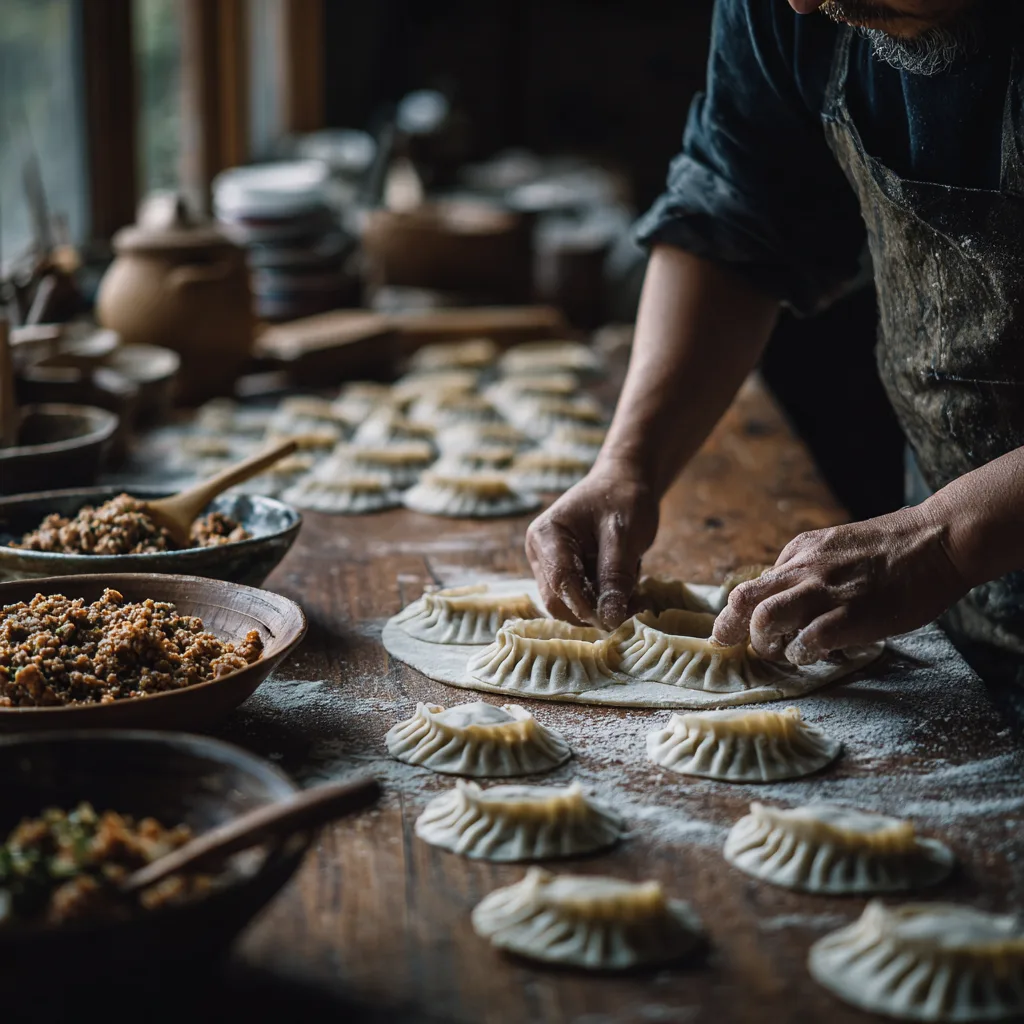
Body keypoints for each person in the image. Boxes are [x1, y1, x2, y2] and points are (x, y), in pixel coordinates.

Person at [526, 0, 1024, 685]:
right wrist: (629, 461)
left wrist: (947, 537)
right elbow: (740, 212)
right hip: (950, 608)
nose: (799, 1)